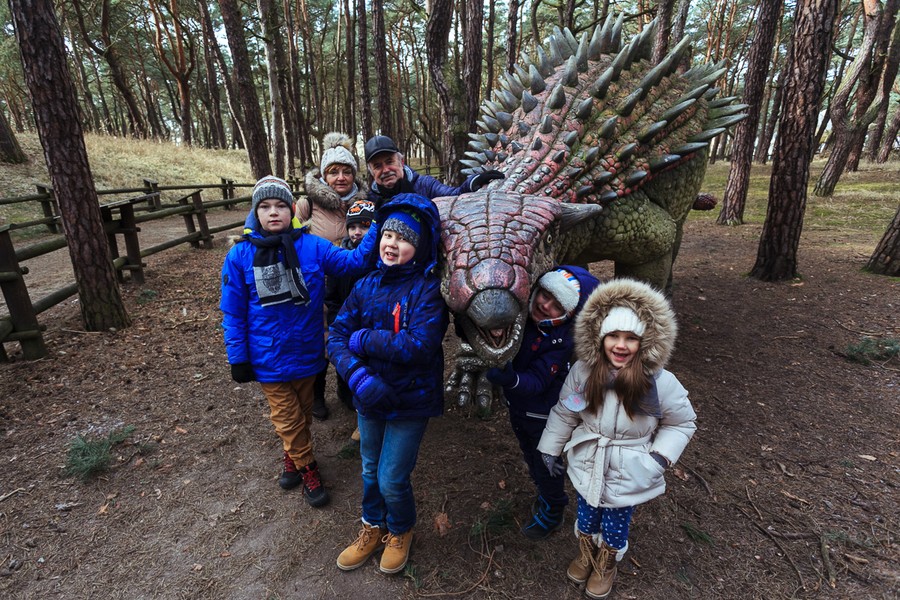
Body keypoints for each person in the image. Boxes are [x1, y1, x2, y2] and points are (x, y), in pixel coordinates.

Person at [220, 175, 378, 508]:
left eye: (280, 205)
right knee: (287, 418)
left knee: (302, 416)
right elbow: (233, 313)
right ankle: (308, 469)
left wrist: (377, 226)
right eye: (265, 206)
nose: (273, 212)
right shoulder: (239, 256)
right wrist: (238, 357)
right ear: (255, 212)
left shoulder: (313, 246)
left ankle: (291, 458)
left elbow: (354, 262)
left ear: (292, 209)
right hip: (267, 358)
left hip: (307, 352)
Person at [537, 278, 696, 599]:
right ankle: (586, 552)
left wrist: (658, 458)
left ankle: (606, 562)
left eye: (630, 338)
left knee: (615, 522)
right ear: (600, 338)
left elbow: (681, 423)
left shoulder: (659, 383)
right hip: (587, 459)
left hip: (630, 467)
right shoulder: (584, 373)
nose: (620, 345)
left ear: (645, 341)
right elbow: (566, 411)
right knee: (586, 515)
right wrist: (550, 449)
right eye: (613, 336)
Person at [328, 193, 449, 575]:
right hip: (368, 397)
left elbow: (420, 343)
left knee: (391, 477)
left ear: (421, 245)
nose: (393, 244)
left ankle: (400, 529)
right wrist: (358, 375)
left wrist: (364, 340)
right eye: (388, 236)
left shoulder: (428, 291)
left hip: (410, 400)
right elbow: (334, 336)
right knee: (368, 470)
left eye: (404, 239)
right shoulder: (364, 285)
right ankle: (372, 526)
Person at [486, 266, 600, 540]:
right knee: (529, 453)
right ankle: (542, 488)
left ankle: (554, 505)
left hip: (544, 417)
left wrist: (510, 379)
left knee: (546, 461)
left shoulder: (561, 342)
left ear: (570, 313)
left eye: (556, 304)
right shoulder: (523, 319)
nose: (545, 305)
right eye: (545, 294)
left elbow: (538, 381)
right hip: (519, 410)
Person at [300, 132, 370, 420]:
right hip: (316, 286)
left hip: (350, 286)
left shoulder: (364, 203)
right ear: (324, 175)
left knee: (349, 335)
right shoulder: (307, 205)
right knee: (318, 339)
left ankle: (345, 387)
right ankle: (317, 394)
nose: (340, 177)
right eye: (333, 172)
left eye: (346, 171)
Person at [323, 198, 376, 412]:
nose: (356, 232)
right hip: (345, 324)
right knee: (345, 362)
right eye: (352, 227)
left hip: (372, 326)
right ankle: (345, 395)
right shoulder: (341, 259)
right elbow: (331, 296)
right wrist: (336, 320)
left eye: (364, 226)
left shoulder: (380, 261)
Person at [364, 134, 503, 208]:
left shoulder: (424, 185)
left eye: (389, 162)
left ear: (401, 162)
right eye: (377, 166)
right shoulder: (370, 200)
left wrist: (473, 181)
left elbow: (453, 195)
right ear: (371, 172)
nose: (386, 170)